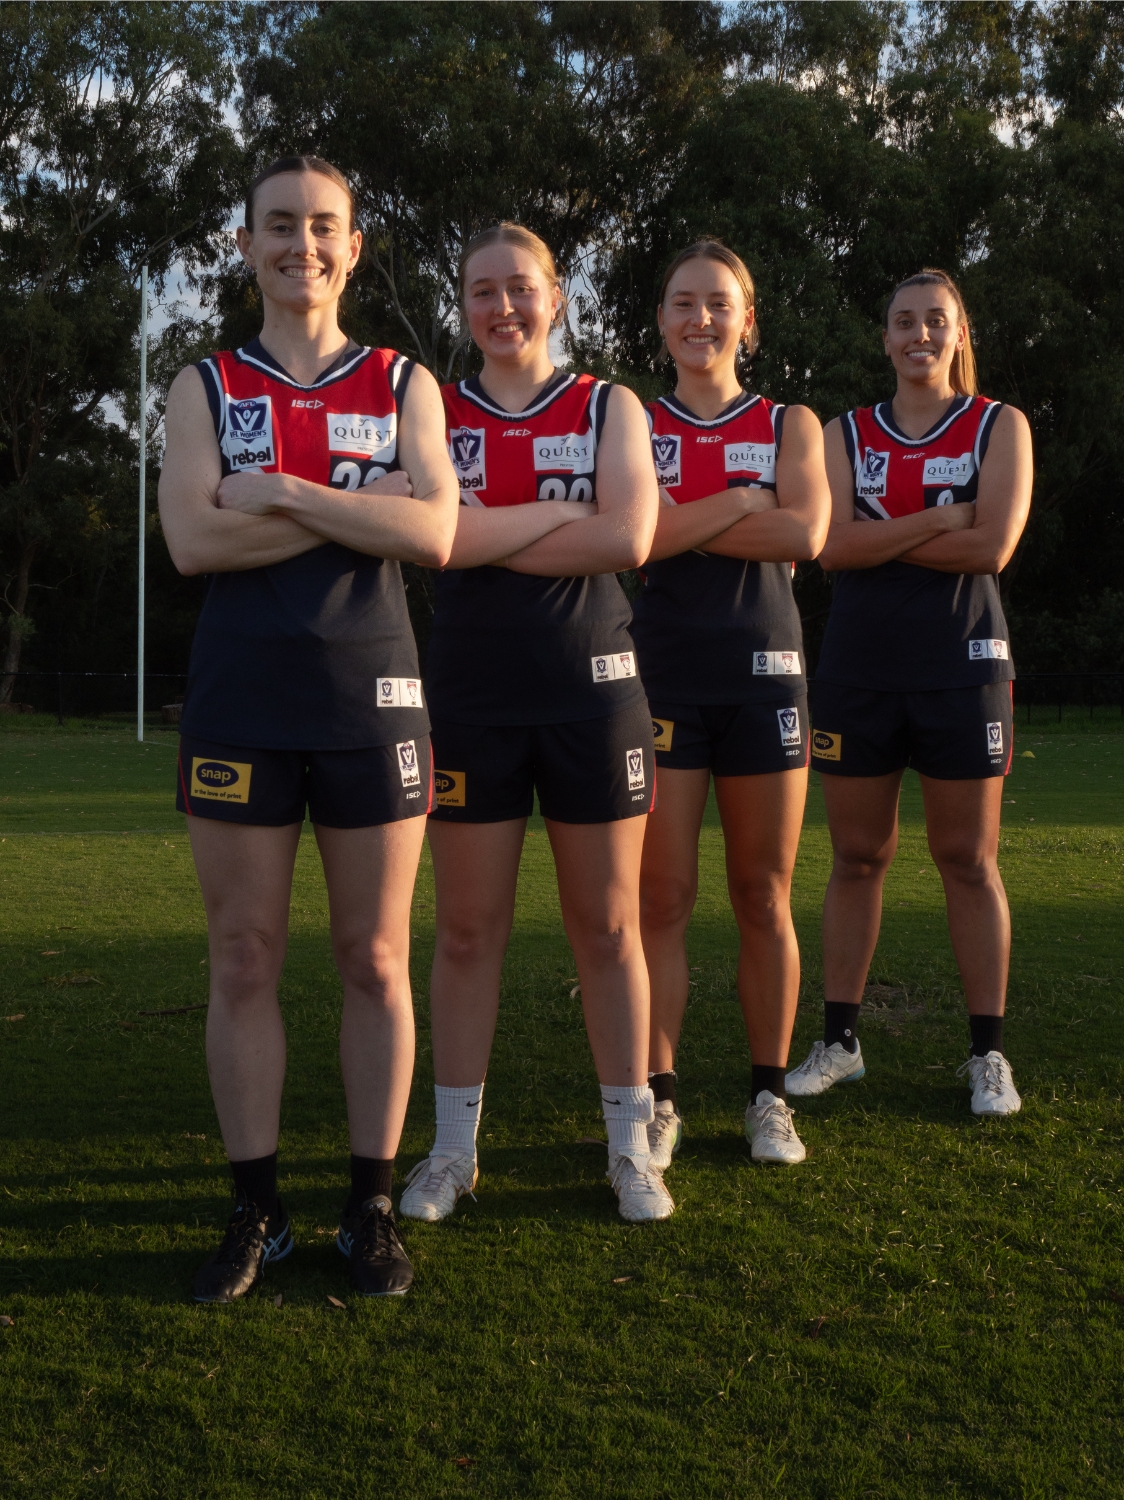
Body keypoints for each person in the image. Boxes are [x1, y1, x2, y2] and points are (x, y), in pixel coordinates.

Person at [158, 155, 460, 1302]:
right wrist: (359, 511)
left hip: (370, 696)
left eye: (323, 226)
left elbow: (433, 532)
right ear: (246, 246)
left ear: (355, 244)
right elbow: (192, 543)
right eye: (278, 226)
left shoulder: (400, 381)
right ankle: (256, 1211)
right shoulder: (204, 384)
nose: (303, 245)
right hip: (240, 696)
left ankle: (369, 1206)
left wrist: (284, 491)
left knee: (374, 957)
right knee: (242, 958)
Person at [398, 222, 669, 1224]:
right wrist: (559, 520)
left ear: (556, 295)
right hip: (468, 697)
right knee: (467, 933)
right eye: (481, 291)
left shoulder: (608, 404)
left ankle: (628, 1147)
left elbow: (629, 534)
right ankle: (452, 1152)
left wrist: (480, 535)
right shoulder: (433, 407)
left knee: (605, 927)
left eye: (520, 288)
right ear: (461, 302)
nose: (502, 308)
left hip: (593, 695)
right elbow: (428, 542)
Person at [786, 269, 1033, 1116]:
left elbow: (992, 545)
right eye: (903, 321)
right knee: (857, 857)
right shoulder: (844, 432)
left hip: (964, 665)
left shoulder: (1000, 425)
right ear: (884, 338)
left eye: (936, 320)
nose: (919, 334)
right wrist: (936, 519)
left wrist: (881, 536)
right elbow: (832, 550)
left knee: (968, 860)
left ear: (960, 333)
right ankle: (840, 1041)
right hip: (862, 668)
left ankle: (988, 1055)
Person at [631, 241, 831, 1171]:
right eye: (683, 303)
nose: (700, 319)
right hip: (661, 681)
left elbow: (806, 529)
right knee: (661, 900)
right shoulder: (632, 420)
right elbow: (637, 539)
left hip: (767, 678)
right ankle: (658, 1099)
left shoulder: (791, 420)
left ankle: (766, 1093)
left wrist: (691, 518)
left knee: (763, 894)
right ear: (662, 318)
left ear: (748, 318)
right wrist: (738, 500)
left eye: (719, 303)